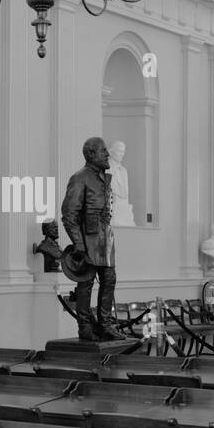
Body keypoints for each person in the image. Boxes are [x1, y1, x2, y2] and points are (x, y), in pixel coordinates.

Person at [61, 137, 124, 341]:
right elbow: (69, 214)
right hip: (88, 240)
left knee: (109, 280)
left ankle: (105, 325)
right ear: (91, 154)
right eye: (103, 151)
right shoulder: (80, 178)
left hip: (105, 239)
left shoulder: (103, 178)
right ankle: (85, 327)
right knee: (86, 282)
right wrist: (78, 243)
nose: (107, 154)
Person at [107, 140, 135, 227]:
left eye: (123, 151)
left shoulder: (124, 171)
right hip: (111, 212)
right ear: (111, 152)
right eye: (119, 151)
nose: (122, 154)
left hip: (123, 212)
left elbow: (124, 195)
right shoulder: (105, 169)